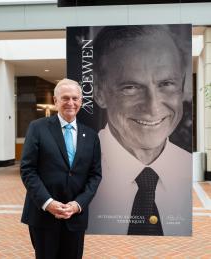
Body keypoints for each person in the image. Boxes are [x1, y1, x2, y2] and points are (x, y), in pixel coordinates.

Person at [88, 25, 192, 236]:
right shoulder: (77, 170)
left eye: (166, 83)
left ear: (181, 86)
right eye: (131, 87)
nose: (153, 107)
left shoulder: (187, 169)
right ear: (99, 92)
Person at [20, 79, 102, 259]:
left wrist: (77, 204)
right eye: (65, 98)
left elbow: (95, 175)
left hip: (75, 217)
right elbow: (28, 170)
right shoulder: (37, 128)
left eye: (75, 98)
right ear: (56, 101)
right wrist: (48, 203)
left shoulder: (91, 135)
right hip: (43, 216)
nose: (70, 103)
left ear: (81, 101)